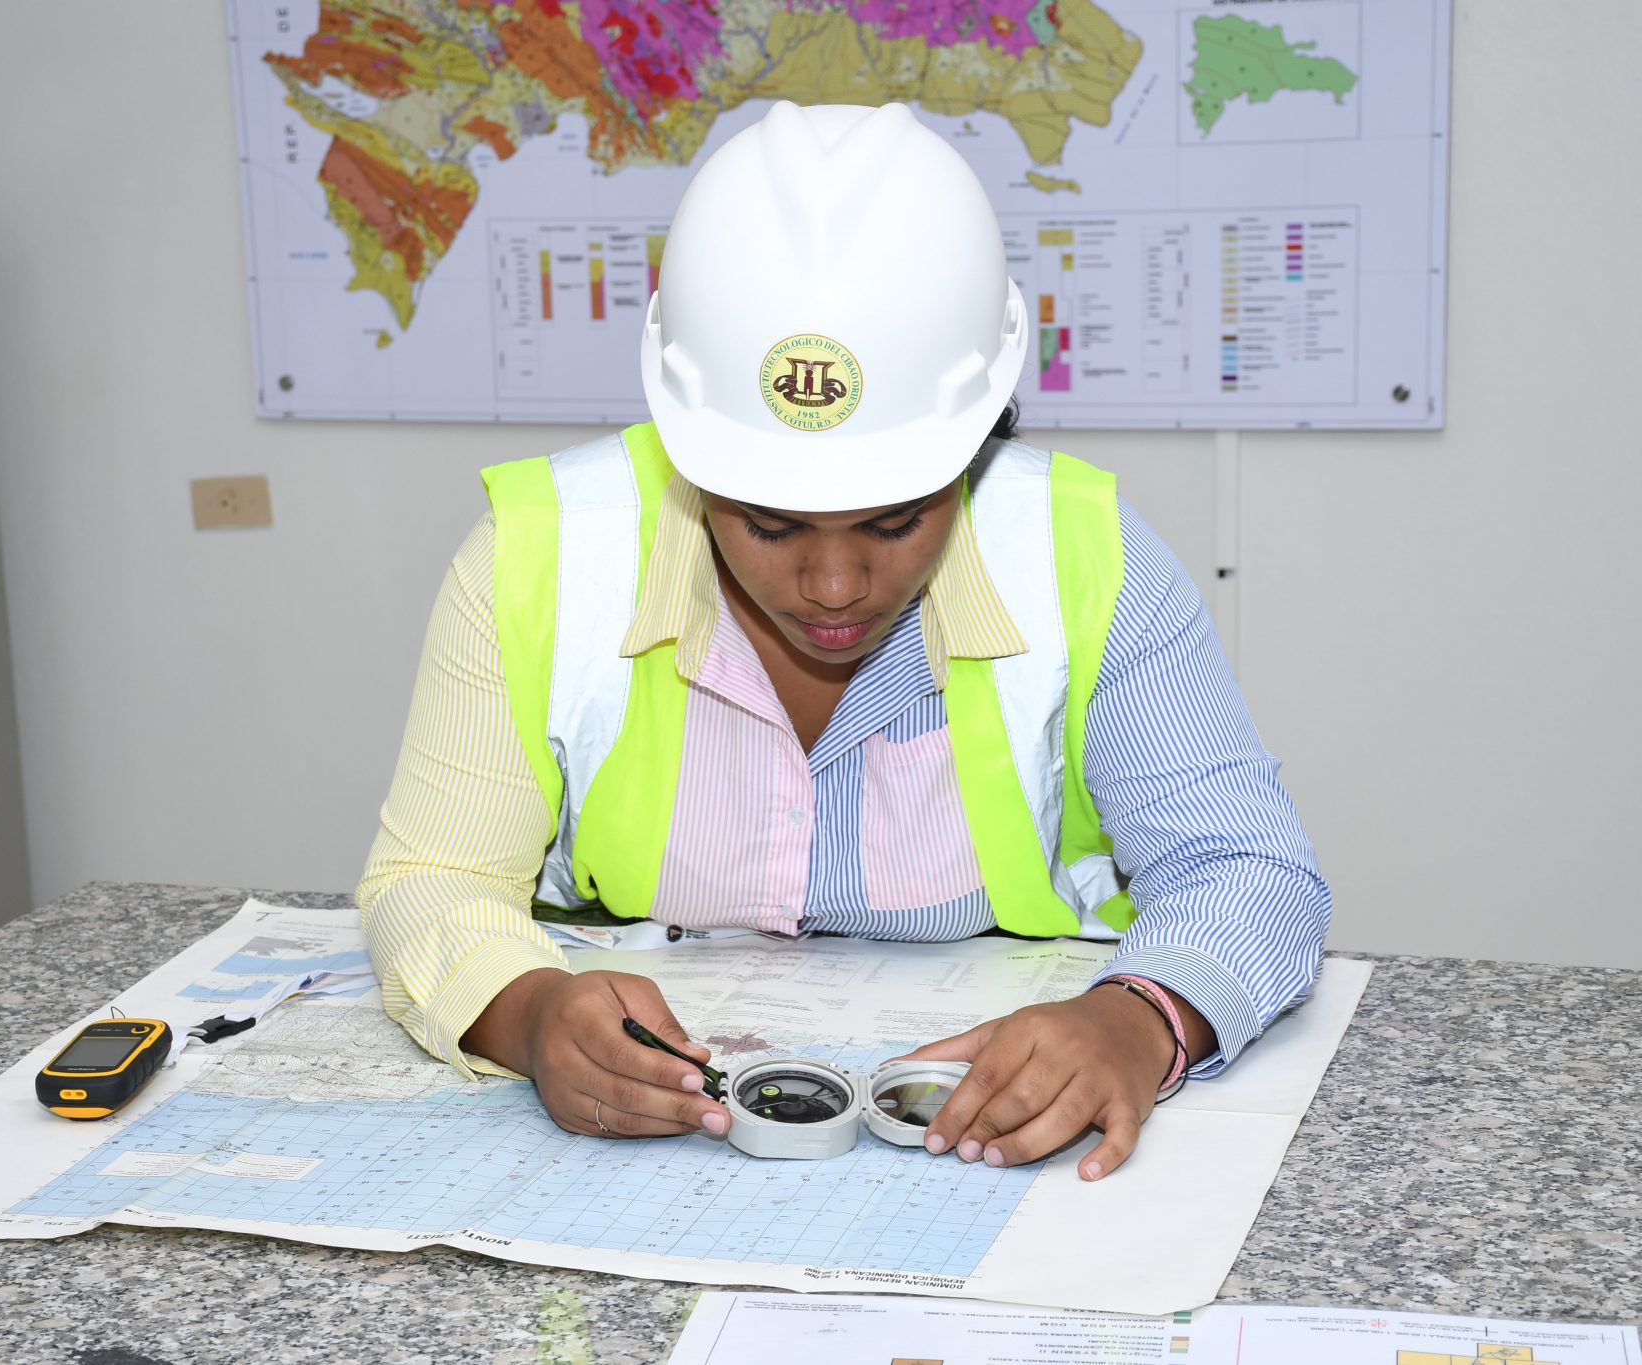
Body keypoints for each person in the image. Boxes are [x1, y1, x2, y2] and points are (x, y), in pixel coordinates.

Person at [357, 101, 1329, 1178]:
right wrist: (530, 1011)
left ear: (976, 439)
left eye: (895, 520)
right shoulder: (535, 554)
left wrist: (1139, 1018)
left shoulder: (1085, 552)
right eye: (768, 524)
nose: (832, 585)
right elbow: (433, 874)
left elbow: (1246, 866)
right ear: (689, 454)